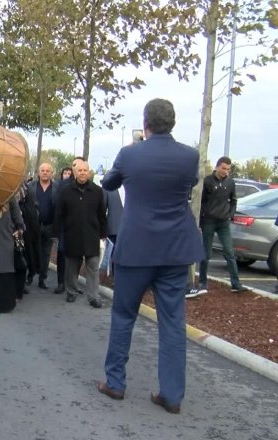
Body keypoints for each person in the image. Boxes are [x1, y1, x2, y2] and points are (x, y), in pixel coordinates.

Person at [98, 98, 204, 414]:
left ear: (145, 123)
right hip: (176, 250)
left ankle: (115, 384)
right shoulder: (189, 156)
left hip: (137, 249)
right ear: (172, 123)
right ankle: (172, 396)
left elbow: (107, 182)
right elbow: (191, 183)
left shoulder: (130, 154)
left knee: (123, 316)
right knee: (173, 322)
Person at [190, 156, 248, 297]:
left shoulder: (230, 182)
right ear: (217, 167)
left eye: (228, 169)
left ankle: (236, 284)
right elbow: (201, 202)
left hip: (223, 223)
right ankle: (203, 282)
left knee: (229, 252)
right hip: (209, 222)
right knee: (206, 253)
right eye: (223, 168)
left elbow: (233, 200)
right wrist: (201, 221)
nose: (225, 171)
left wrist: (231, 214)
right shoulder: (208, 181)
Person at [54, 159, 107, 307]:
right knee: (71, 267)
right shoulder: (66, 191)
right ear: (75, 173)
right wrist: (57, 233)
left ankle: (93, 296)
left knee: (93, 267)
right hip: (73, 234)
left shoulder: (97, 191)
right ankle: (71, 291)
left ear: (89, 172)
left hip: (92, 235)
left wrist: (103, 233)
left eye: (85, 170)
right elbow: (59, 213)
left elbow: (102, 214)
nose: (83, 173)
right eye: (80, 171)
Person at [30, 163, 64, 293]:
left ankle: (42, 279)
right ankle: (30, 275)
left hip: (50, 225)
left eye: (47, 171)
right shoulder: (31, 187)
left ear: (52, 173)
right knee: (33, 251)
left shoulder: (57, 188)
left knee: (46, 253)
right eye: (42, 170)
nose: (45, 173)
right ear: (38, 173)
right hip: (34, 226)